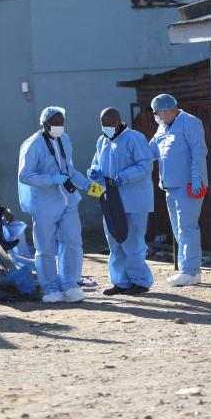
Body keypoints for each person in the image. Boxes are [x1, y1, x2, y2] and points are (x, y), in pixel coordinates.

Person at [18, 106, 90, 303]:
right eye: (56, 123)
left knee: (73, 242)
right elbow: (24, 175)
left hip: (68, 200)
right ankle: (50, 288)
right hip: (44, 205)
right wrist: (51, 179)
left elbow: (70, 170)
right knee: (46, 247)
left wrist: (85, 183)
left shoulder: (64, 139)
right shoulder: (33, 145)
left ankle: (70, 284)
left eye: (62, 122)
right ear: (45, 124)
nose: (59, 126)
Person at [88, 107, 155, 295]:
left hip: (134, 201)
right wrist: (93, 173)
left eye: (110, 124)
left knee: (133, 243)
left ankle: (140, 281)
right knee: (115, 243)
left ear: (118, 122)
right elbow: (96, 165)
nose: (106, 127)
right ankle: (120, 282)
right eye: (103, 124)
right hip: (111, 200)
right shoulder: (102, 141)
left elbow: (145, 166)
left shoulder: (134, 138)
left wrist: (123, 177)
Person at [149, 94, 208, 286]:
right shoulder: (163, 127)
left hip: (188, 185)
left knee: (187, 228)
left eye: (157, 113)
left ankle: (190, 271)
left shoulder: (190, 122)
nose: (156, 116)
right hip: (170, 186)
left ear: (166, 111)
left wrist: (196, 176)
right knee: (178, 229)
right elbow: (150, 151)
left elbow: (198, 151)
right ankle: (187, 269)